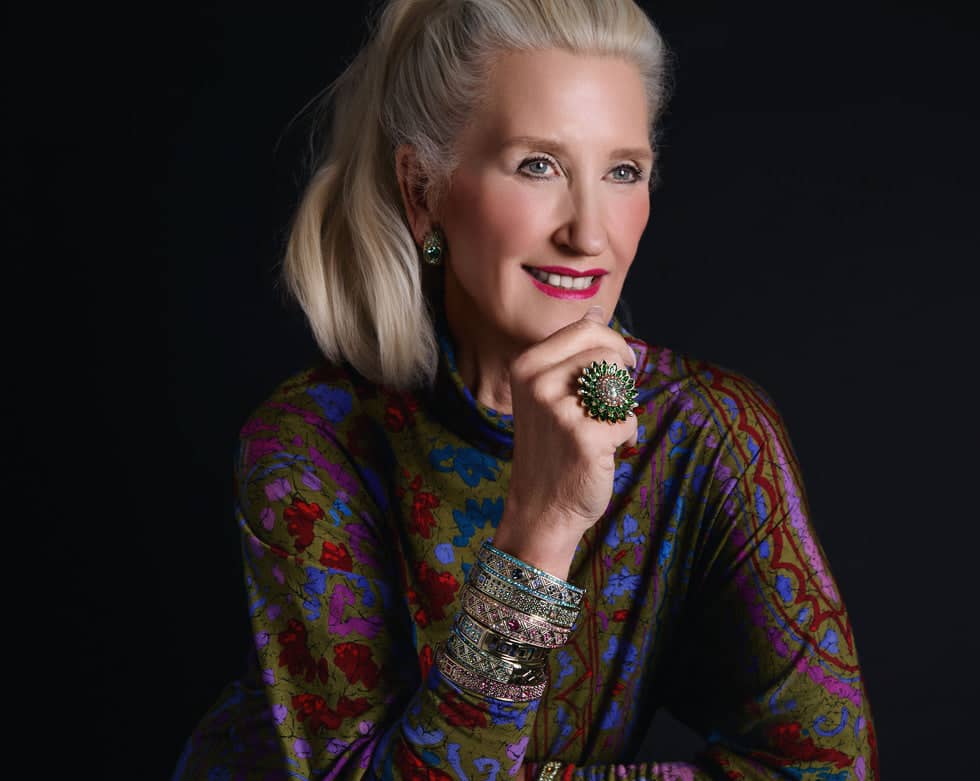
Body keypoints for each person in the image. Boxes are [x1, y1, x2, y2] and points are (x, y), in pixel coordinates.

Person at [171, 0, 879, 778]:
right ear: (422, 191)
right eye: (537, 164)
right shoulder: (312, 445)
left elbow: (828, 769)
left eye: (622, 171)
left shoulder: (707, 432)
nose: (588, 231)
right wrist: (542, 528)